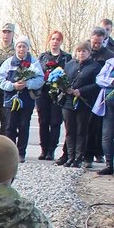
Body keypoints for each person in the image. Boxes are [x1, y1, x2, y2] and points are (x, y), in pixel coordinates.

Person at [0, 36, 45, 162]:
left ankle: (21, 153)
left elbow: (40, 79)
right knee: (9, 127)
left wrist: (27, 84)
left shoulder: (34, 63)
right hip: (10, 100)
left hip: (26, 100)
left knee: (24, 126)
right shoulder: (8, 63)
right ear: (15, 48)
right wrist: (13, 86)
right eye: (19, 46)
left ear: (28, 48)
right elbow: (0, 80)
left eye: (24, 46)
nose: (21, 49)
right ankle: (9, 154)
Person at [59, 42, 102, 168]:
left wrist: (81, 91)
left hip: (84, 103)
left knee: (81, 131)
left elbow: (97, 85)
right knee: (69, 130)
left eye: (84, 51)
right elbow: (63, 79)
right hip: (68, 102)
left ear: (89, 53)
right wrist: (65, 88)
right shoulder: (70, 64)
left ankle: (79, 157)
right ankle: (70, 156)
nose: (81, 53)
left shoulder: (95, 67)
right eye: (79, 51)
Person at [36, 30, 71, 161]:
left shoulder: (66, 57)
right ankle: (44, 149)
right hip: (44, 93)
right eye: (53, 39)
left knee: (55, 122)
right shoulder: (43, 57)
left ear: (61, 42)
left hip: (58, 94)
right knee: (43, 121)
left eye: (57, 39)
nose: (55, 41)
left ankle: (51, 150)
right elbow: (37, 73)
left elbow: (68, 73)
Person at [94, 53, 114, 175]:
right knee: (107, 135)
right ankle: (109, 164)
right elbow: (99, 79)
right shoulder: (110, 62)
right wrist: (111, 82)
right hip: (108, 102)